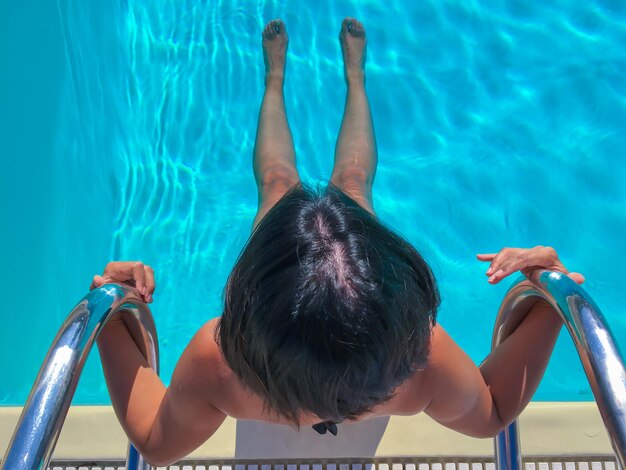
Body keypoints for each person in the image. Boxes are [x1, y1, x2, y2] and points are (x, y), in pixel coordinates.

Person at [93, 18, 585, 466]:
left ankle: (285, 79)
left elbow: (156, 442)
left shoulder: (222, 365)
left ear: (251, 301)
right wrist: (547, 291)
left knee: (278, 184)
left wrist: (112, 309)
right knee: (352, 183)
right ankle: (345, 77)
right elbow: (494, 407)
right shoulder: (418, 361)